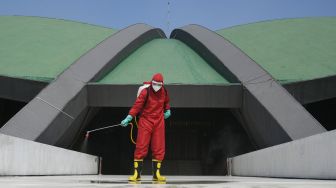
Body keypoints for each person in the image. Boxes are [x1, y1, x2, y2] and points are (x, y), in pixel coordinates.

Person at [121, 73, 171, 182]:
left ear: (162, 84)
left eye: (158, 84)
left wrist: (168, 110)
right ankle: (137, 174)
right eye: (154, 83)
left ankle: (156, 174)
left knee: (159, 147)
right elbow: (137, 105)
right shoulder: (145, 92)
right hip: (146, 120)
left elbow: (166, 102)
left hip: (159, 121)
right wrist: (129, 117)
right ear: (151, 82)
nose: (156, 86)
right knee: (141, 145)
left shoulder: (164, 91)